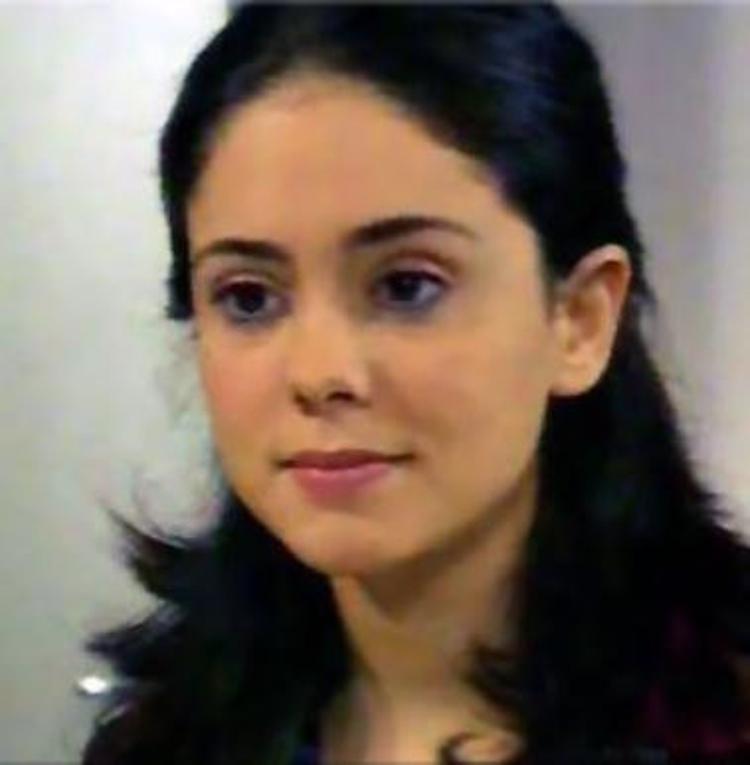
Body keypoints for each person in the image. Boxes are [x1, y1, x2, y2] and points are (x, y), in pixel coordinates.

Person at [79, 3, 750, 764]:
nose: (319, 374)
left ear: (580, 318)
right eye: (249, 298)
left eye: (406, 286)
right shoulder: (165, 738)